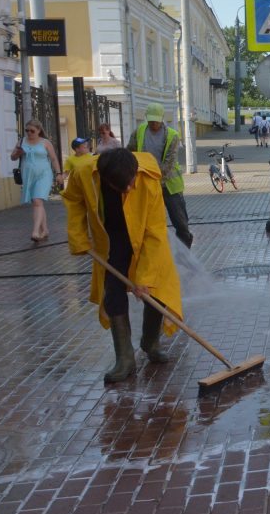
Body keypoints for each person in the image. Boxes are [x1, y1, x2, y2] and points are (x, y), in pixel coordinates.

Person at [63, 148, 183, 382]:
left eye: (130, 183)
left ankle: (150, 342)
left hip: (145, 235)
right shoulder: (84, 172)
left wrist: (145, 279)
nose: (129, 189)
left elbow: (155, 231)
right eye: (122, 187)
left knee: (156, 290)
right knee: (113, 291)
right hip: (112, 238)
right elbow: (74, 200)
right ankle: (125, 358)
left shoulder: (147, 178)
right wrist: (78, 236)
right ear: (105, 178)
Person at [127, 103, 193, 249]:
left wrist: (155, 178)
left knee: (180, 220)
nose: (153, 124)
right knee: (148, 220)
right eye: (150, 121)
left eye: (156, 121)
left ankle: (184, 247)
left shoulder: (172, 135)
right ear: (146, 118)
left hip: (169, 184)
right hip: (146, 183)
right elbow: (130, 152)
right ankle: (151, 250)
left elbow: (169, 163)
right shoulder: (139, 131)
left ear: (162, 119)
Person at [10, 119, 62, 242]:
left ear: (38, 130)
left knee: (37, 200)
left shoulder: (45, 143)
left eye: (32, 131)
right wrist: (18, 152)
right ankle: (45, 230)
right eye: (27, 130)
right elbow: (12, 157)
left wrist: (59, 173)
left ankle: (35, 231)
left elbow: (54, 159)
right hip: (28, 175)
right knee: (37, 203)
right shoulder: (22, 141)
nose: (29, 133)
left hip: (44, 174)